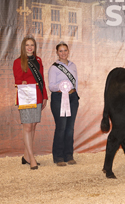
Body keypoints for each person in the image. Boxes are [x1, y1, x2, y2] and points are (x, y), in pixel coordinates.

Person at [13, 36, 48, 170]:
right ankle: (32, 158)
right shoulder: (18, 61)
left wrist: (45, 96)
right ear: (23, 46)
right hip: (26, 96)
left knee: (33, 126)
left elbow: (42, 80)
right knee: (27, 127)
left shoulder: (38, 60)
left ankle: (26, 156)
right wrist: (22, 82)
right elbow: (17, 79)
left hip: (38, 96)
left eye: (32, 45)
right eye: (27, 45)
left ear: (34, 47)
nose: (30, 47)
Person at [48, 42, 79, 166]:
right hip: (59, 98)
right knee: (61, 127)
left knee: (70, 128)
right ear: (57, 53)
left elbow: (76, 82)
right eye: (60, 51)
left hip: (72, 98)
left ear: (68, 51)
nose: (63, 53)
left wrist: (75, 94)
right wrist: (61, 87)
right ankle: (58, 157)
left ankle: (69, 155)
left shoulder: (73, 66)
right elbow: (51, 86)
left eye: (65, 50)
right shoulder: (54, 68)